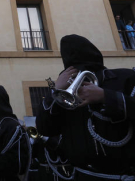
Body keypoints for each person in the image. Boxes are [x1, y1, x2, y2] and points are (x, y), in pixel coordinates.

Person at [36, 34, 135, 180]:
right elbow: (45, 128)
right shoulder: (64, 91)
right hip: (81, 175)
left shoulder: (125, 78)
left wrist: (105, 96)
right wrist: (54, 93)